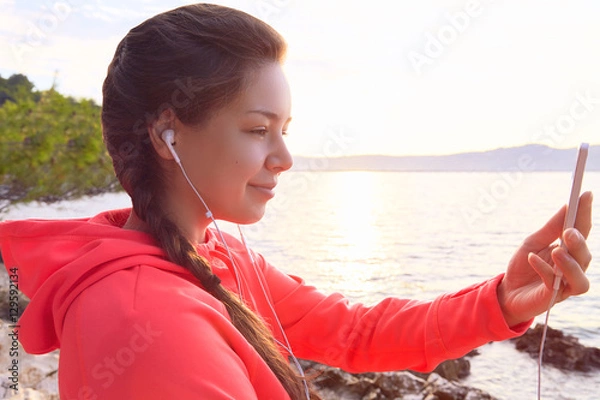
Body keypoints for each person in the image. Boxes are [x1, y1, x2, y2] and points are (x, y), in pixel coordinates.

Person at [0, 4, 593, 400]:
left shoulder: (212, 257)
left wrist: (502, 301)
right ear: (166, 133)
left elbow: (358, 333)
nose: (284, 157)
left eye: (286, 129)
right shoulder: (144, 319)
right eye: (259, 130)